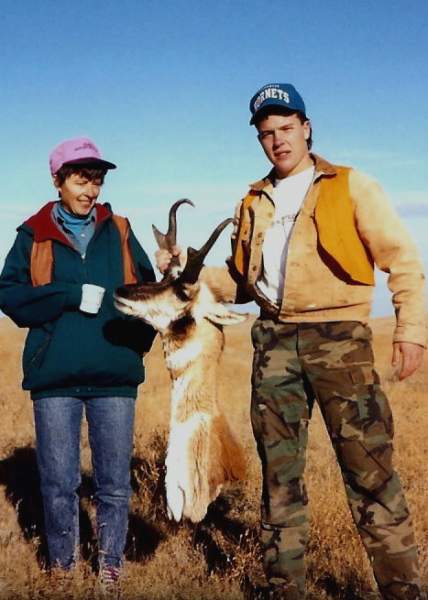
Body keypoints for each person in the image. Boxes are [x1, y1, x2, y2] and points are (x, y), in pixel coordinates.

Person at [157, 84, 426, 600]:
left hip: (340, 342)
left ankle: (403, 591)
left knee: (370, 475)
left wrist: (411, 331)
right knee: (280, 480)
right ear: (260, 141)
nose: (277, 141)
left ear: (306, 128)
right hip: (274, 342)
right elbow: (240, 280)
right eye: (266, 134)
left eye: (285, 129)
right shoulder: (254, 200)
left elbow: (404, 261)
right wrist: (187, 276)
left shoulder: (351, 185)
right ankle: (285, 588)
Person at [0, 137, 156, 594]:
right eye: (80, 178)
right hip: (56, 379)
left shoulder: (121, 231)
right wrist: (69, 296)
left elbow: (150, 293)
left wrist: (133, 347)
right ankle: (63, 568)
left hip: (114, 378)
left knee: (112, 482)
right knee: (58, 482)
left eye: (97, 179)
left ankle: (111, 567)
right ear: (58, 181)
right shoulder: (33, 235)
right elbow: (9, 296)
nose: (90, 189)